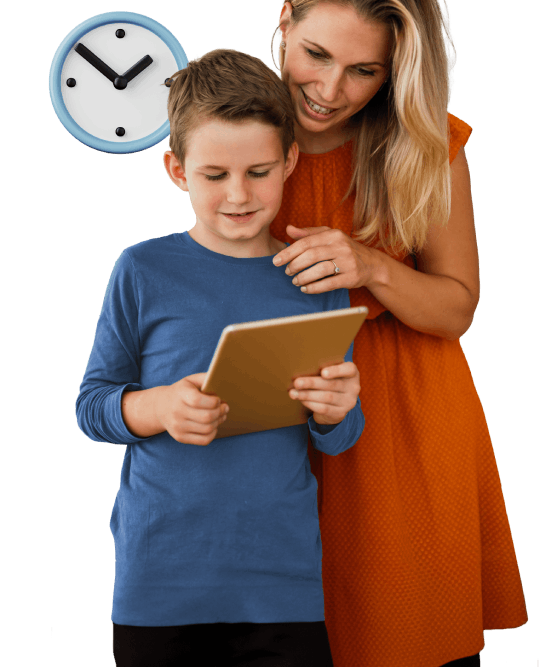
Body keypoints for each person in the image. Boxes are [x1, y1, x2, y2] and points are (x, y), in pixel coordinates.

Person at [267, 0, 528, 667]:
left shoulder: (424, 145)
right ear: (285, 21)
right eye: (315, 54)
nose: (328, 89)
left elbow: (456, 308)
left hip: (401, 419)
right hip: (271, 409)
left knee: (395, 634)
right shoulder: (225, 127)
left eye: (363, 71)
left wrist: (370, 268)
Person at [74, 48, 366, 667]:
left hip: (282, 584)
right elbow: (91, 406)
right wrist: (157, 407)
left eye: (259, 171)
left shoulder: (314, 275)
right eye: (214, 176)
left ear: (289, 160)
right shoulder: (143, 269)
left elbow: (339, 441)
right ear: (177, 170)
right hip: (160, 582)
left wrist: (339, 410)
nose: (239, 195)